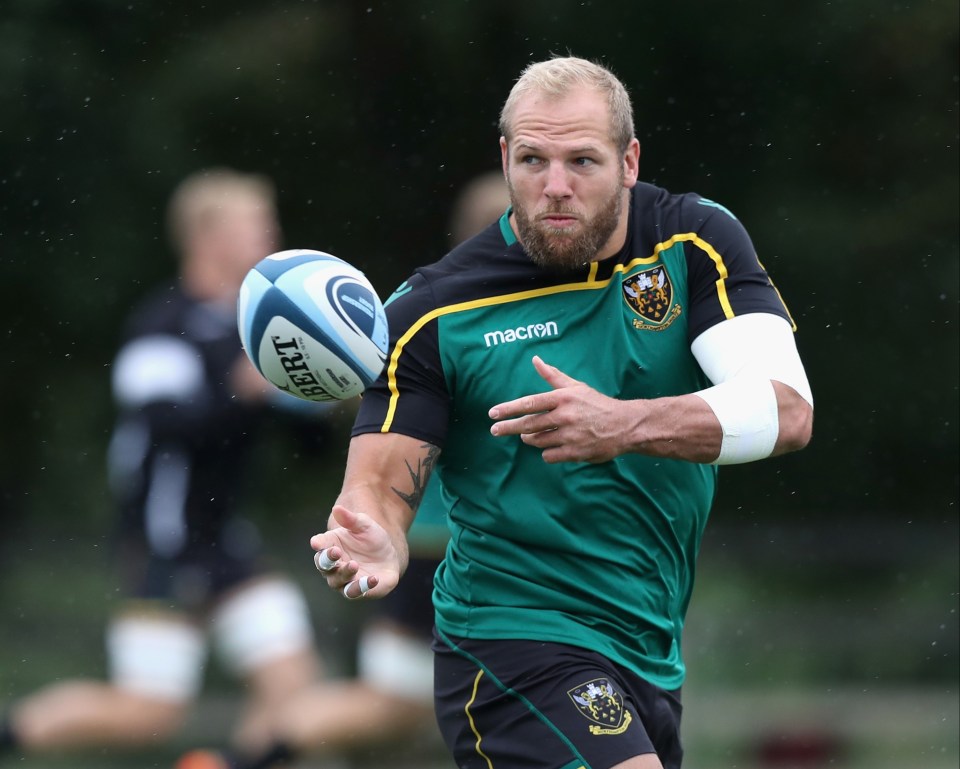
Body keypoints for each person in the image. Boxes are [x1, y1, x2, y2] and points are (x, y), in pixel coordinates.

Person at [309, 55, 814, 769]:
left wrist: (621, 423)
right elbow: (379, 479)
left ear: (630, 160)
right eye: (533, 160)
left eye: (582, 160)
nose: (555, 187)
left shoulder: (693, 244)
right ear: (505, 159)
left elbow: (786, 410)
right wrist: (378, 535)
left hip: (646, 644)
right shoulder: (431, 312)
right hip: (509, 640)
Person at [175, 171, 512, 769]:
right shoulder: (468, 318)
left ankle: (234, 762)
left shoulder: (442, 312)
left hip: (437, 541)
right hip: (449, 545)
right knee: (436, 702)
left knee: (393, 708)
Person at [0, 168, 323, 759]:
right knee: (147, 714)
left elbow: (303, 442)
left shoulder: (253, 327)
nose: (272, 237)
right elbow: (164, 425)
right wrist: (242, 393)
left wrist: (325, 395)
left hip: (225, 538)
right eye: (257, 224)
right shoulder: (161, 324)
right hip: (167, 540)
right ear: (208, 236)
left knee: (292, 684)